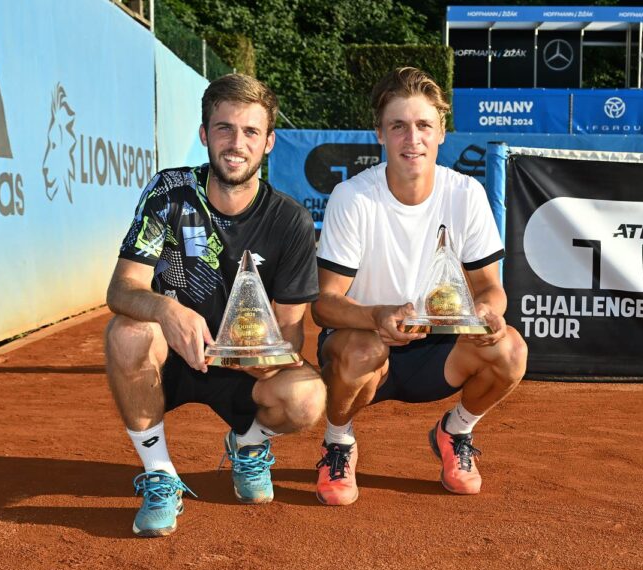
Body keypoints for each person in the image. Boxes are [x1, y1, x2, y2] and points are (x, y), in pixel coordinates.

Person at [105, 74, 325, 537]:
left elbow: (291, 331)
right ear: (205, 135)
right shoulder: (169, 193)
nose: (235, 143)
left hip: (244, 370)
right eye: (224, 128)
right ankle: (161, 475)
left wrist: (257, 358)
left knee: (307, 397)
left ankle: (248, 445)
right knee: (127, 332)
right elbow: (122, 289)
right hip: (173, 358)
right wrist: (166, 310)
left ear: (269, 142)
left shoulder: (292, 220)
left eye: (250, 132)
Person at [311, 67, 528, 506]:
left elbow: (490, 287)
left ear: (441, 132)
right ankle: (338, 443)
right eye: (399, 126)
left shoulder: (466, 194)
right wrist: (376, 316)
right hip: (368, 348)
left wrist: (488, 313)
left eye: (424, 125)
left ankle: (455, 432)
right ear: (380, 134)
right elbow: (325, 304)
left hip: (440, 351)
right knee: (361, 350)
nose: (413, 139)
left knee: (510, 349)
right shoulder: (353, 197)